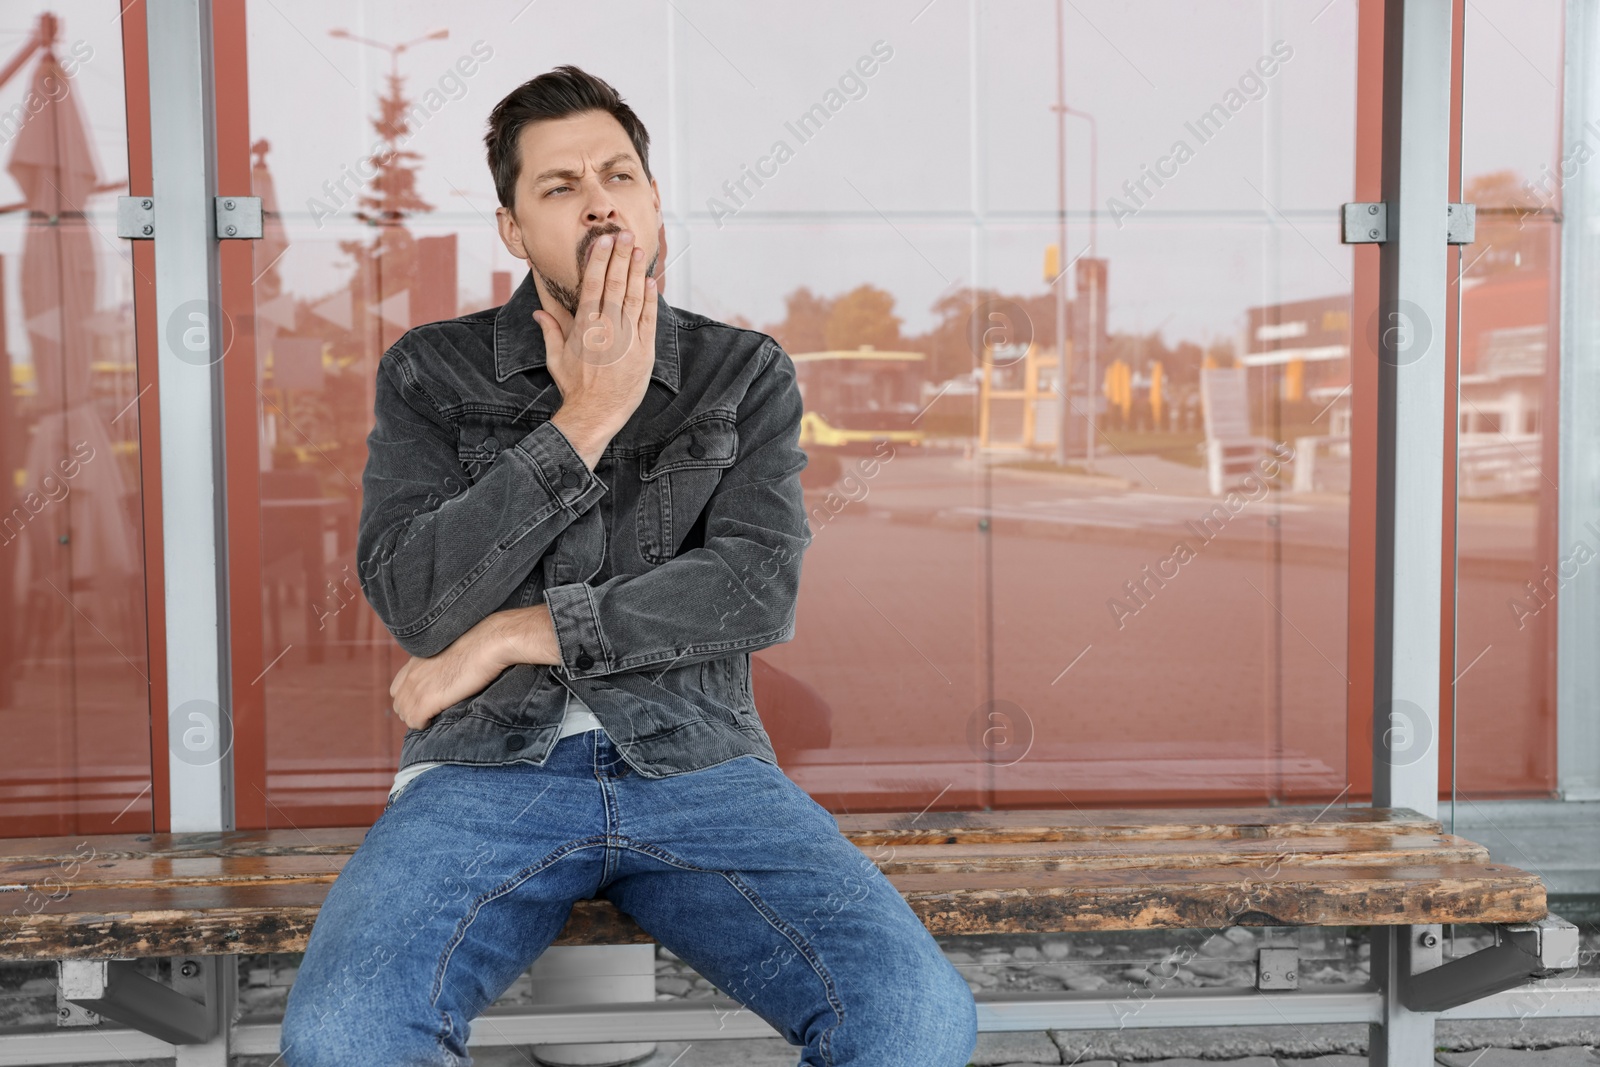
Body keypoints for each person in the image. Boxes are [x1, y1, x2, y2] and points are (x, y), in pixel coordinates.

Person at [278, 64, 978, 1067]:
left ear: (652, 202)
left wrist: (522, 629)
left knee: (915, 1018)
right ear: (513, 229)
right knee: (344, 1037)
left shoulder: (742, 372)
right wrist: (589, 414)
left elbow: (751, 586)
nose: (598, 199)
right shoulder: (432, 370)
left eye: (618, 175)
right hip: (484, 770)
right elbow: (417, 601)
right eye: (559, 187)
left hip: (698, 762)